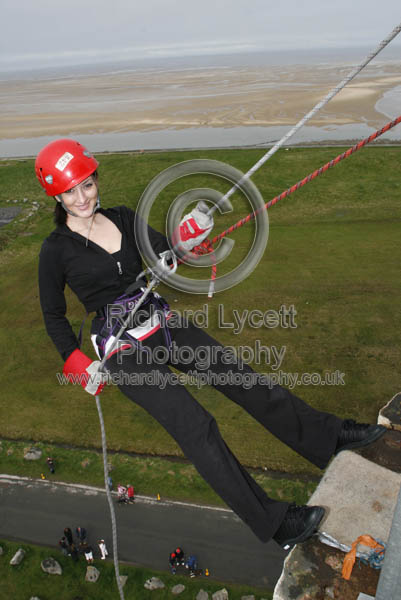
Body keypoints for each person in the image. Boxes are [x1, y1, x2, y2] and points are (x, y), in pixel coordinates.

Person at [36, 139, 387, 550]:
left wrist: (186, 235)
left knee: (246, 382)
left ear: (95, 180)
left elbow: (163, 252)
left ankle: (328, 437)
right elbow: (53, 316)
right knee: (196, 427)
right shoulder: (55, 250)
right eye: (70, 191)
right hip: (121, 348)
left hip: (159, 320)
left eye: (86, 185)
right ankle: (276, 523)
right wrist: (78, 363)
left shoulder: (122, 217)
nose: (81, 197)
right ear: (56, 197)